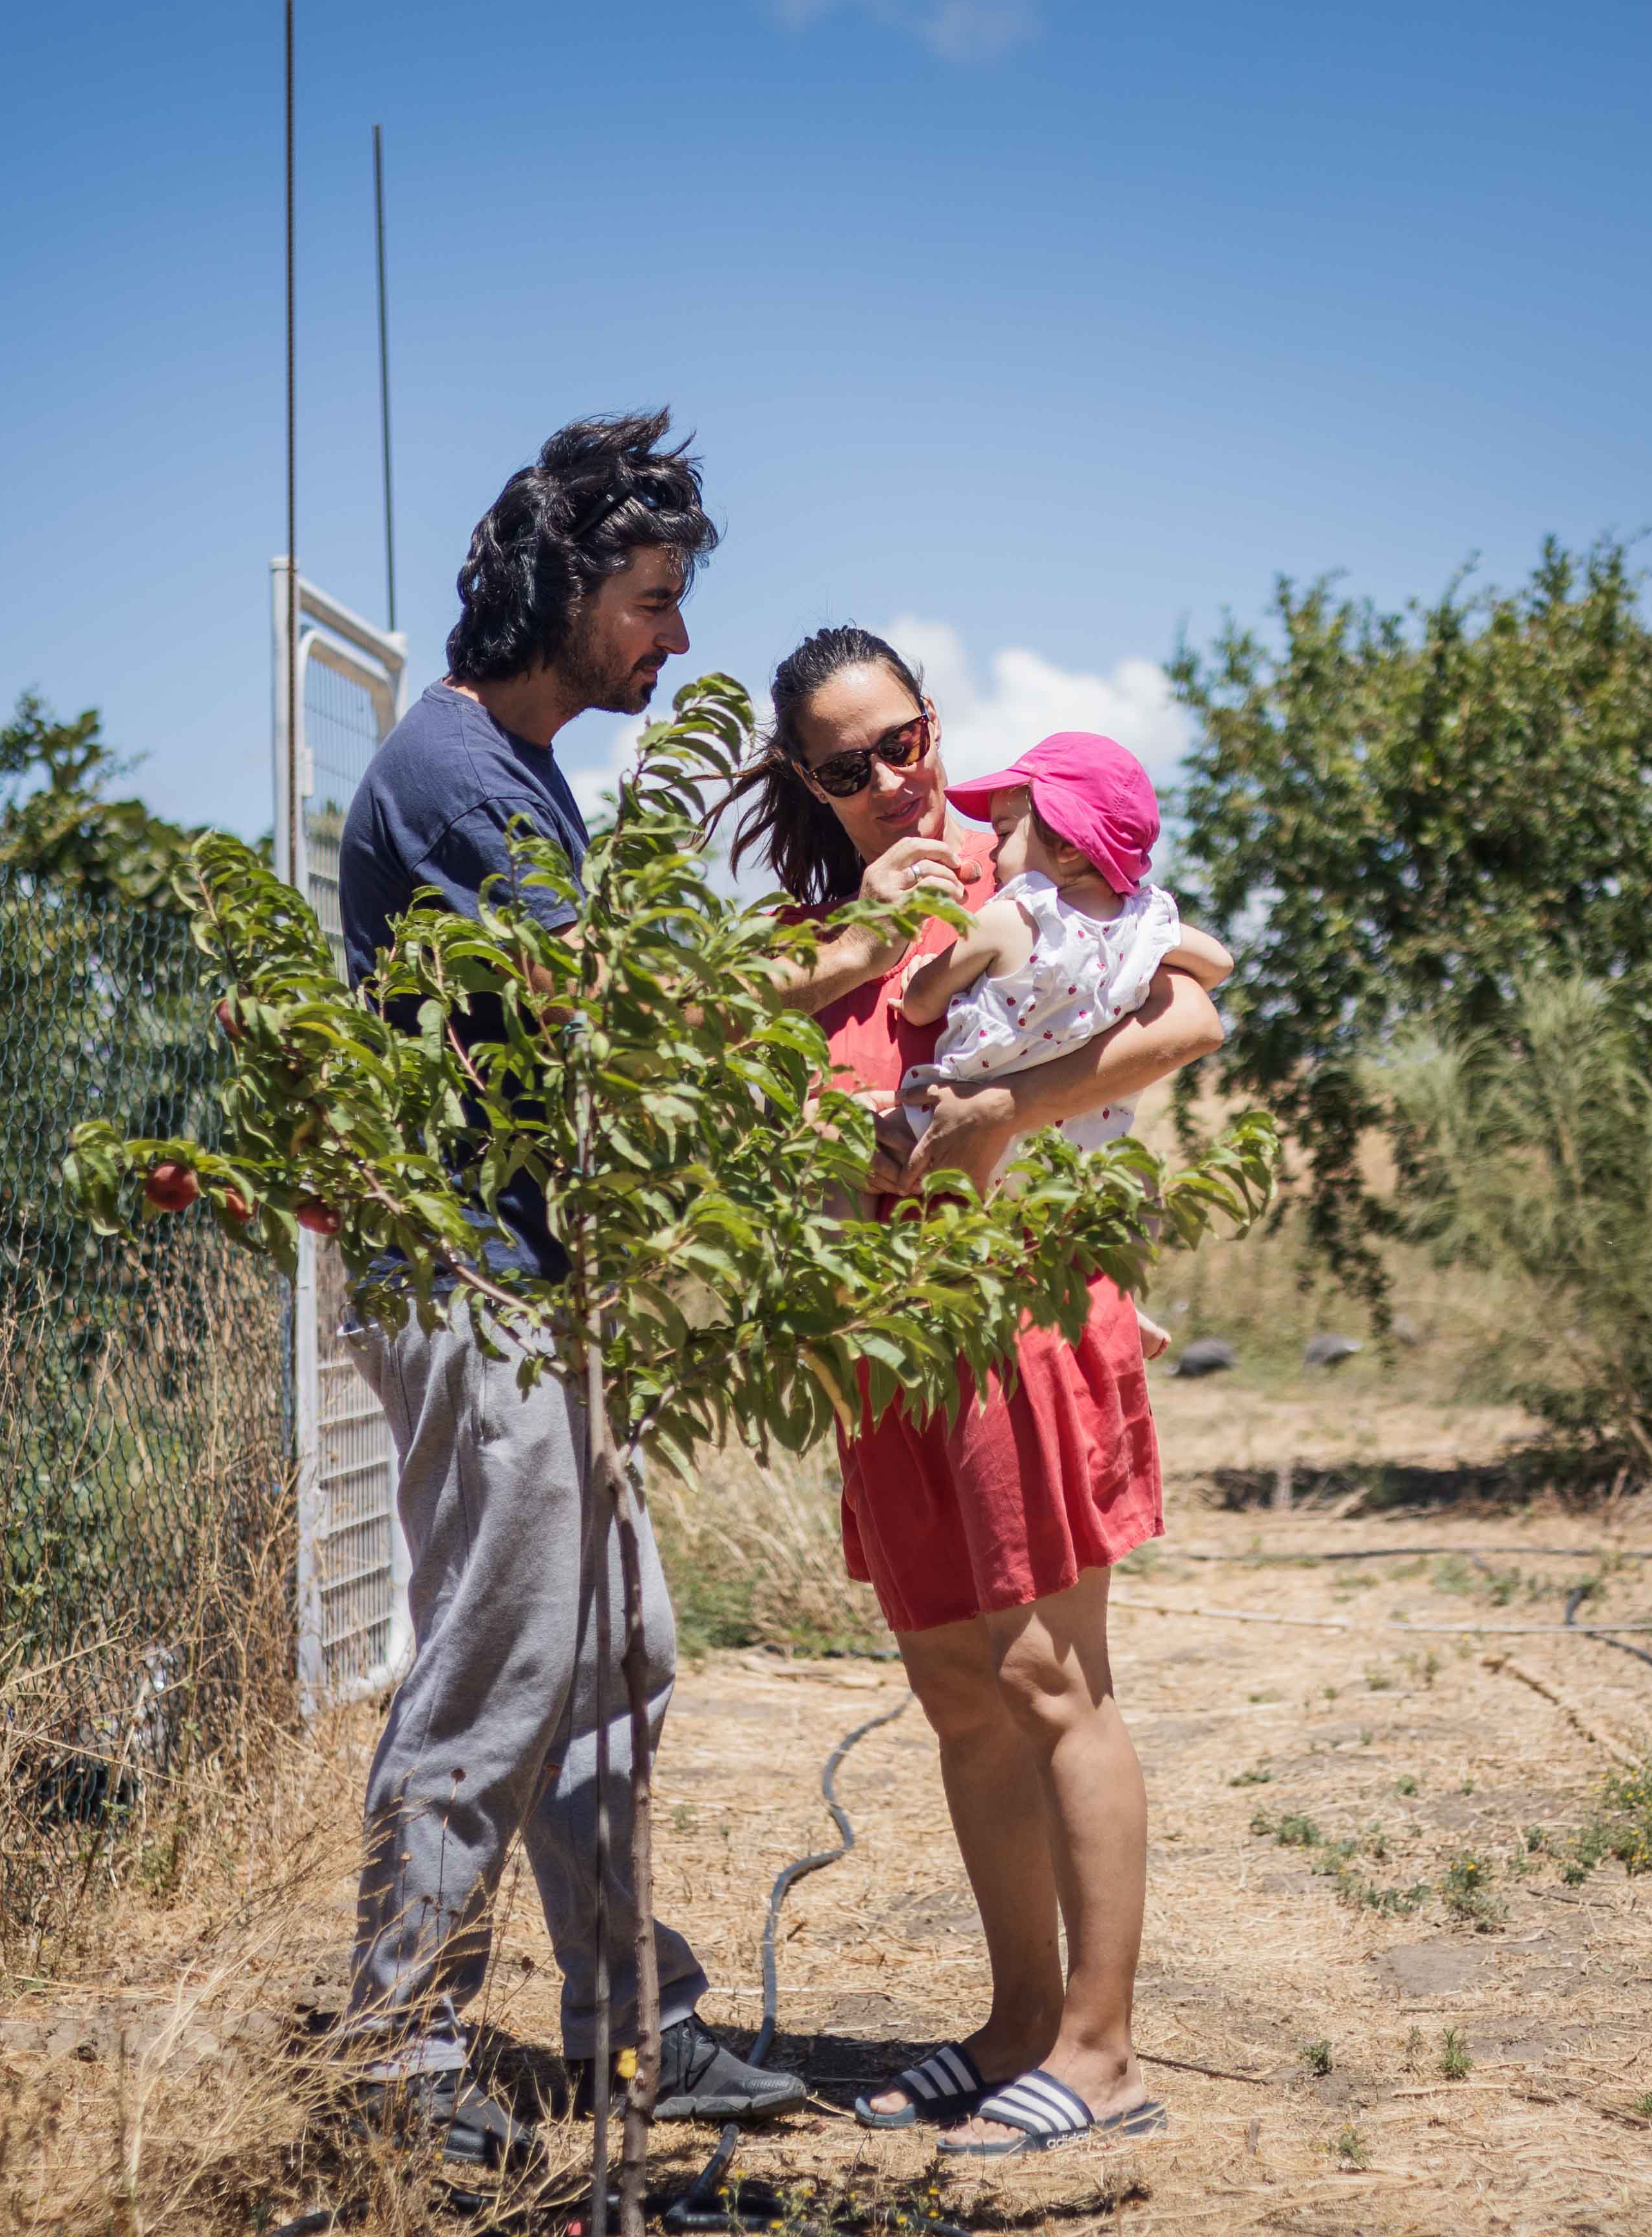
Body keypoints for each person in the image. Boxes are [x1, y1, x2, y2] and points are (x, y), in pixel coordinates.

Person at [331, 412, 805, 2166]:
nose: (674, 643)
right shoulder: (454, 775)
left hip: (527, 1274)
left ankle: (628, 2027)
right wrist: (829, 982)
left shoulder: (515, 774)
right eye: (654, 602)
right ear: (561, 587)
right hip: (469, 1274)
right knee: (502, 1663)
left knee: (617, 1647)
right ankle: (391, 2054)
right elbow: (605, 1025)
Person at [731, 627, 1227, 2158]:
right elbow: (727, 1073)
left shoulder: (1016, 848)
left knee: (1049, 1679)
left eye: (903, 744)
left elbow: (1193, 1003)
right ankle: (1015, 2026)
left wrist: (1001, 1108)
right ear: (800, 784)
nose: (888, 782)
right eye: (844, 767)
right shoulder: (801, 937)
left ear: (933, 733)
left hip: (1010, 1308)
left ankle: (1099, 2050)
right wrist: (862, 956)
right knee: (954, 1690)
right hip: (878, 1339)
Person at [895, 734, 1231, 1360]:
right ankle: (1122, 1303)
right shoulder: (1140, 926)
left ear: (1069, 846)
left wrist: (916, 975)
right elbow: (1219, 962)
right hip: (1076, 1148)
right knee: (1118, 1197)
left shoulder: (1008, 917)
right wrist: (1141, 940)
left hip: (969, 1119)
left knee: (882, 1157)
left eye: (1003, 831)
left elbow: (922, 1003)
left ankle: (928, 1290)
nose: (992, 847)